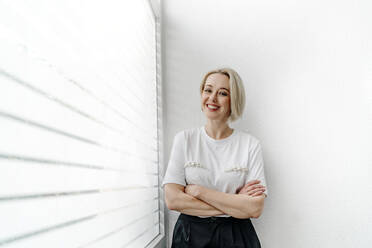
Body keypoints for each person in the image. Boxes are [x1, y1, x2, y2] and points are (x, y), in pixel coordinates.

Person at [162, 68, 268, 248]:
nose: (212, 98)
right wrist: (235, 204)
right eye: (208, 90)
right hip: (189, 236)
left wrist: (199, 192)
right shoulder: (184, 140)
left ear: (234, 100)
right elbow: (172, 200)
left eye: (222, 93)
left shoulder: (250, 145)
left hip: (237, 235)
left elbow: (254, 208)